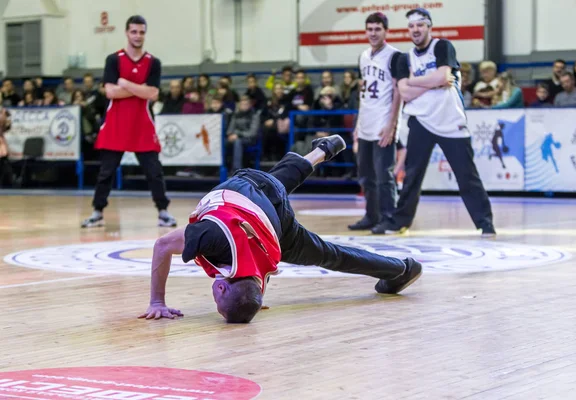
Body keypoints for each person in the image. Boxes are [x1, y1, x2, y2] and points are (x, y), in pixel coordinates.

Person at [138, 135, 422, 323]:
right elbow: (164, 246)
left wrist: (156, 301)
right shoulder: (215, 244)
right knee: (274, 185)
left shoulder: (225, 247)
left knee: (333, 254)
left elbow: (162, 246)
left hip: (271, 223)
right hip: (262, 209)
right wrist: (157, 301)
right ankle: (318, 153)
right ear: (223, 286)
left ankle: (401, 269)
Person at [374, 8, 495, 237]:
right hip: (421, 121)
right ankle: (400, 222)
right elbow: (405, 93)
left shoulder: (442, 46)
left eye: (420, 25)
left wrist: (415, 81)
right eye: (411, 26)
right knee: (412, 176)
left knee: (466, 175)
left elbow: (438, 78)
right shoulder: (403, 58)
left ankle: (485, 222)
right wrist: (434, 82)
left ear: (429, 26)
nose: (415, 30)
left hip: (451, 120)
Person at [81, 15, 176, 228]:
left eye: (141, 32)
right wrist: (137, 88)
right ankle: (97, 212)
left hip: (142, 124)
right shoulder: (113, 60)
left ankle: (163, 211)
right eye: (134, 31)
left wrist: (125, 83)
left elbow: (152, 93)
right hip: (116, 124)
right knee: (106, 173)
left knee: (154, 172)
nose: (138, 36)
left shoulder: (153, 62)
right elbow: (110, 92)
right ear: (127, 33)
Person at [348, 12, 402, 234]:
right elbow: (363, 94)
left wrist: (392, 124)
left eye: (377, 29)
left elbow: (398, 91)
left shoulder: (395, 56)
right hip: (366, 124)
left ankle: (389, 219)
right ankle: (371, 216)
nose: (373, 33)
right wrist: (358, 126)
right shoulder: (363, 56)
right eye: (369, 29)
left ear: (386, 31)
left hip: (383, 125)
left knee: (384, 176)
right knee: (366, 176)